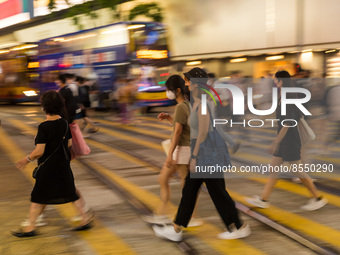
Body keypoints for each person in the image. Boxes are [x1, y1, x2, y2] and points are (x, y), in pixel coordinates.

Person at [153, 67, 250, 241]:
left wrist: (195, 157)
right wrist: (171, 119)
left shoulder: (202, 102)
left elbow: (203, 132)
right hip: (207, 153)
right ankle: (177, 228)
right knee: (192, 191)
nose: (186, 84)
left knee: (215, 192)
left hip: (208, 154)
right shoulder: (197, 100)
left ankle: (238, 226)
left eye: (188, 81)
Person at [12, 91, 93, 238]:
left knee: (38, 196)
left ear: (44, 107)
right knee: (70, 193)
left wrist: (27, 159)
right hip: (63, 166)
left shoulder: (44, 127)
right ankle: (85, 219)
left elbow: (39, 151)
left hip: (48, 169)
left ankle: (30, 227)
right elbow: (68, 145)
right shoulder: (64, 123)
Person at [246, 70, 328, 211]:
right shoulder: (283, 96)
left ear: (281, 81)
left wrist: (276, 142)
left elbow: (288, 122)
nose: (274, 83)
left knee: (298, 171)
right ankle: (263, 199)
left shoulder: (288, 97)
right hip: (285, 139)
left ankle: (318, 198)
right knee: (274, 169)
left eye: (276, 80)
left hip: (289, 139)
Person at [143, 75, 202, 226]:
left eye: (169, 90)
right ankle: (165, 211)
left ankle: (190, 216)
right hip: (183, 149)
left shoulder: (182, 107)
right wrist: (170, 118)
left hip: (182, 150)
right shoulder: (185, 105)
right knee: (165, 180)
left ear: (177, 90)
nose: (167, 93)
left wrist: (170, 155)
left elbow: (177, 133)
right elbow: (180, 127)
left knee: (185, 185)